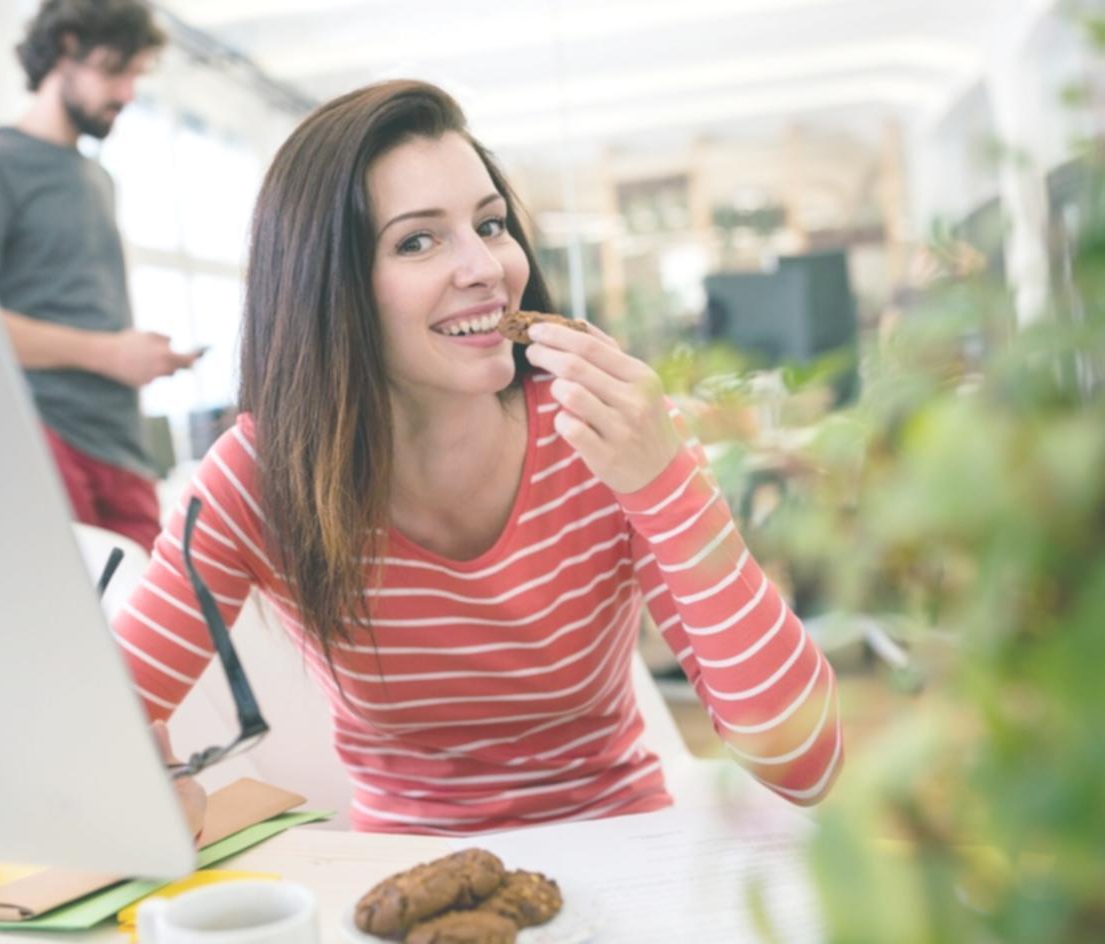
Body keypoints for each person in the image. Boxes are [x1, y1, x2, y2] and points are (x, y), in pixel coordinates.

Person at [118, 81, 843, 835]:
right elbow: (98, 736)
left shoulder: (606, 432)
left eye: (490, 225)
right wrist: (147, 782)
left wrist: (667, 487)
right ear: (326, 290)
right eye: (417, 241)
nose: (486, 267)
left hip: (623, 849)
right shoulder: (264, 474)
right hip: (403, 878)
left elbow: (805, 765)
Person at [0, 0, 199, 550]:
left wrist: (138, 356)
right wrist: (111, 354)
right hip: (45, 438)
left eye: (135, 75)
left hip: (123, 445)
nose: (127, 93)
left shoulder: (98, 179)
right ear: (66, 50)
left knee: (142, 600)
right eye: (115, 71)